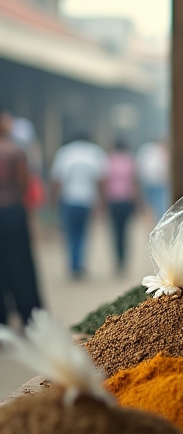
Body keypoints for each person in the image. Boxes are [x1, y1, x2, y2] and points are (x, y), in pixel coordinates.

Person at [0, 112, 42, 325]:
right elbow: (23, 183)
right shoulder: (15, 150)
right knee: (21, 267)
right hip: (13, 213)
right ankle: (30, 318)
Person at [50, 132, 107, 279]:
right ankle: (79, 264)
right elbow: (100, 180)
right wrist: (102, 201)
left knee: (70, 234)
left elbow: (57, 180)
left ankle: (73, 265)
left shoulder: (65, 152)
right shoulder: (95, 152)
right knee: (83, 234)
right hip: (87, 200)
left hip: (69, 199)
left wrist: (53, 200)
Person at [105, 139, 137, 273]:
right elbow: (134, 182)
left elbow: (103, 182)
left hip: (112, 200)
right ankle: (123, 259)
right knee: (125, 231)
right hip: (126, 200)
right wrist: (138, 202)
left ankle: (118, 259)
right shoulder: (130, 160)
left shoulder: (109, 160)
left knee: (115, 231)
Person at [136, 139, 169, 218]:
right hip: (155, 183)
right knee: (157, 204)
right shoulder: (157, 151)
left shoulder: (147, 150)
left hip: (153, 183)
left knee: (154, 205)